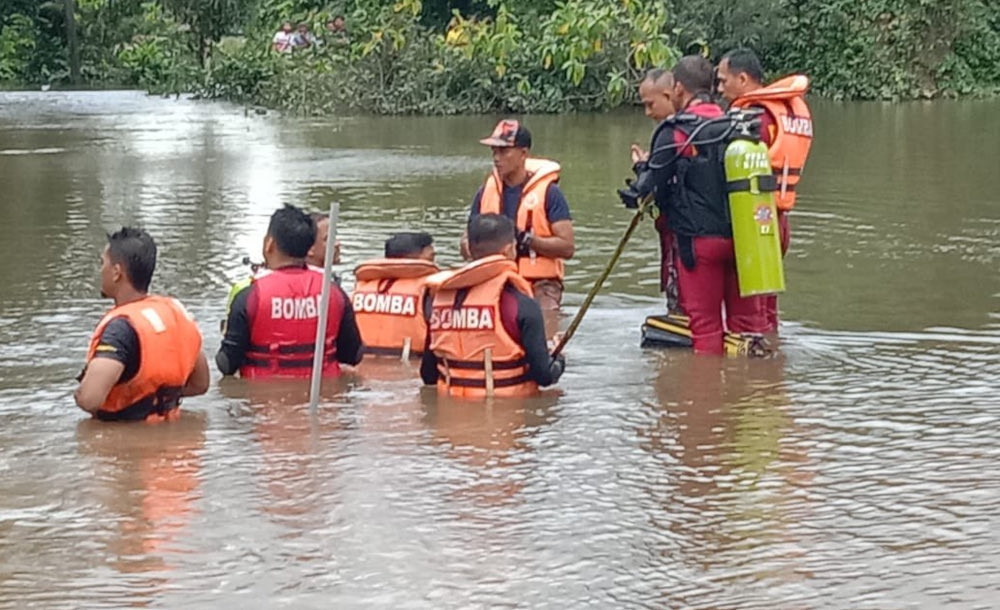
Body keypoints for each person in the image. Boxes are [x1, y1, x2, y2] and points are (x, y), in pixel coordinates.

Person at [624, 55, 767, 355]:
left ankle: (703, 398)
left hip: (699, 245)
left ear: (677, 88)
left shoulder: (674, 130)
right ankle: (757, 393)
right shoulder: (738, 124)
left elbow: (648, 188)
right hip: (744, 241)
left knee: (705, 327)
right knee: (748, 327)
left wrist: (641, 168)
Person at [717, 48, 813, 333]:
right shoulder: (787, 111)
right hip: (779, 222)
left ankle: (752, 375)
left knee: (748, 319)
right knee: (767, 313)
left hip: (754, 222)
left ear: (743, 78)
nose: (720, 89)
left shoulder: (754, 118)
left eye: (723, 81)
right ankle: (774, 369)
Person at [423, 214, 565, 397]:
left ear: (470, 250)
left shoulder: (438, 300)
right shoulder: (520, 304)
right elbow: (544, 377)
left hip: (450, 413)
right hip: (510, 415)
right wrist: (558, 359)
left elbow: (428, 375)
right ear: (508, 251)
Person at [75, 227, 209, 422]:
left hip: (126, 445)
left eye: (102, 263)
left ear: (116, 273)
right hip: (178, 444)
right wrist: (157, 399)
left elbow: (90, 399)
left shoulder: (120, 329)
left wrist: (79, 393)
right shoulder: (176, 315)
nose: (99, 270)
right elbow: (201, 384)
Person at [216, 204, 363, 379]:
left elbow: (226, 364)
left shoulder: (250, 297)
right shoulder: (334, 292)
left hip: (264, 401)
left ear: (269, 244)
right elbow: (353, 355)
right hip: (324, 398)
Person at [460, 119, 575, 311]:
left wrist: (525, 239)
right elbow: (464, 243)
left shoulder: (550, 193)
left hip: (540, 284)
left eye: (504, 151)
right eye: (494, 152)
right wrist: (471, 246)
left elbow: (567, 247)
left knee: (545, 318)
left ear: (523, 154)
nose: (497, 158)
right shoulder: (485, 192)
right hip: (493, 278)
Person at [628, 68, 683, 315]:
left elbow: (655, 186)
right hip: (690, 230)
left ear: (669, 94)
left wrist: (643, 170)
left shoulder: (671, 132)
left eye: (651, 104)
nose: (648, 113)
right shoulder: (704, 127)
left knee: (681, 304)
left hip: (680, 231)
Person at [351, 231, 439, 358]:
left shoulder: (361, 287)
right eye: (431, 257)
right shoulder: (427, 291)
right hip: (410, 369)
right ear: (418, 257)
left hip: (361, 366)